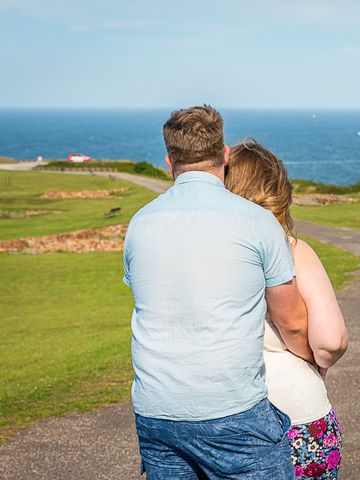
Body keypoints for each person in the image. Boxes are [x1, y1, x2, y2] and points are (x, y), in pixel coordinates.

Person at [123, 105, 313, 479]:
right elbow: (292, 321)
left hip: (155, 410)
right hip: (232, 409)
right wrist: (312, 365)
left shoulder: (139, 223)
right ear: (224, 155)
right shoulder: (257, 222)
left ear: (168, 161)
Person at [225, 139, 349, 480]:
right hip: (298, 414)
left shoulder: (207, 255)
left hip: (220, 420)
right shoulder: (294, 250)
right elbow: (331, 340)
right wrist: (312, 360)